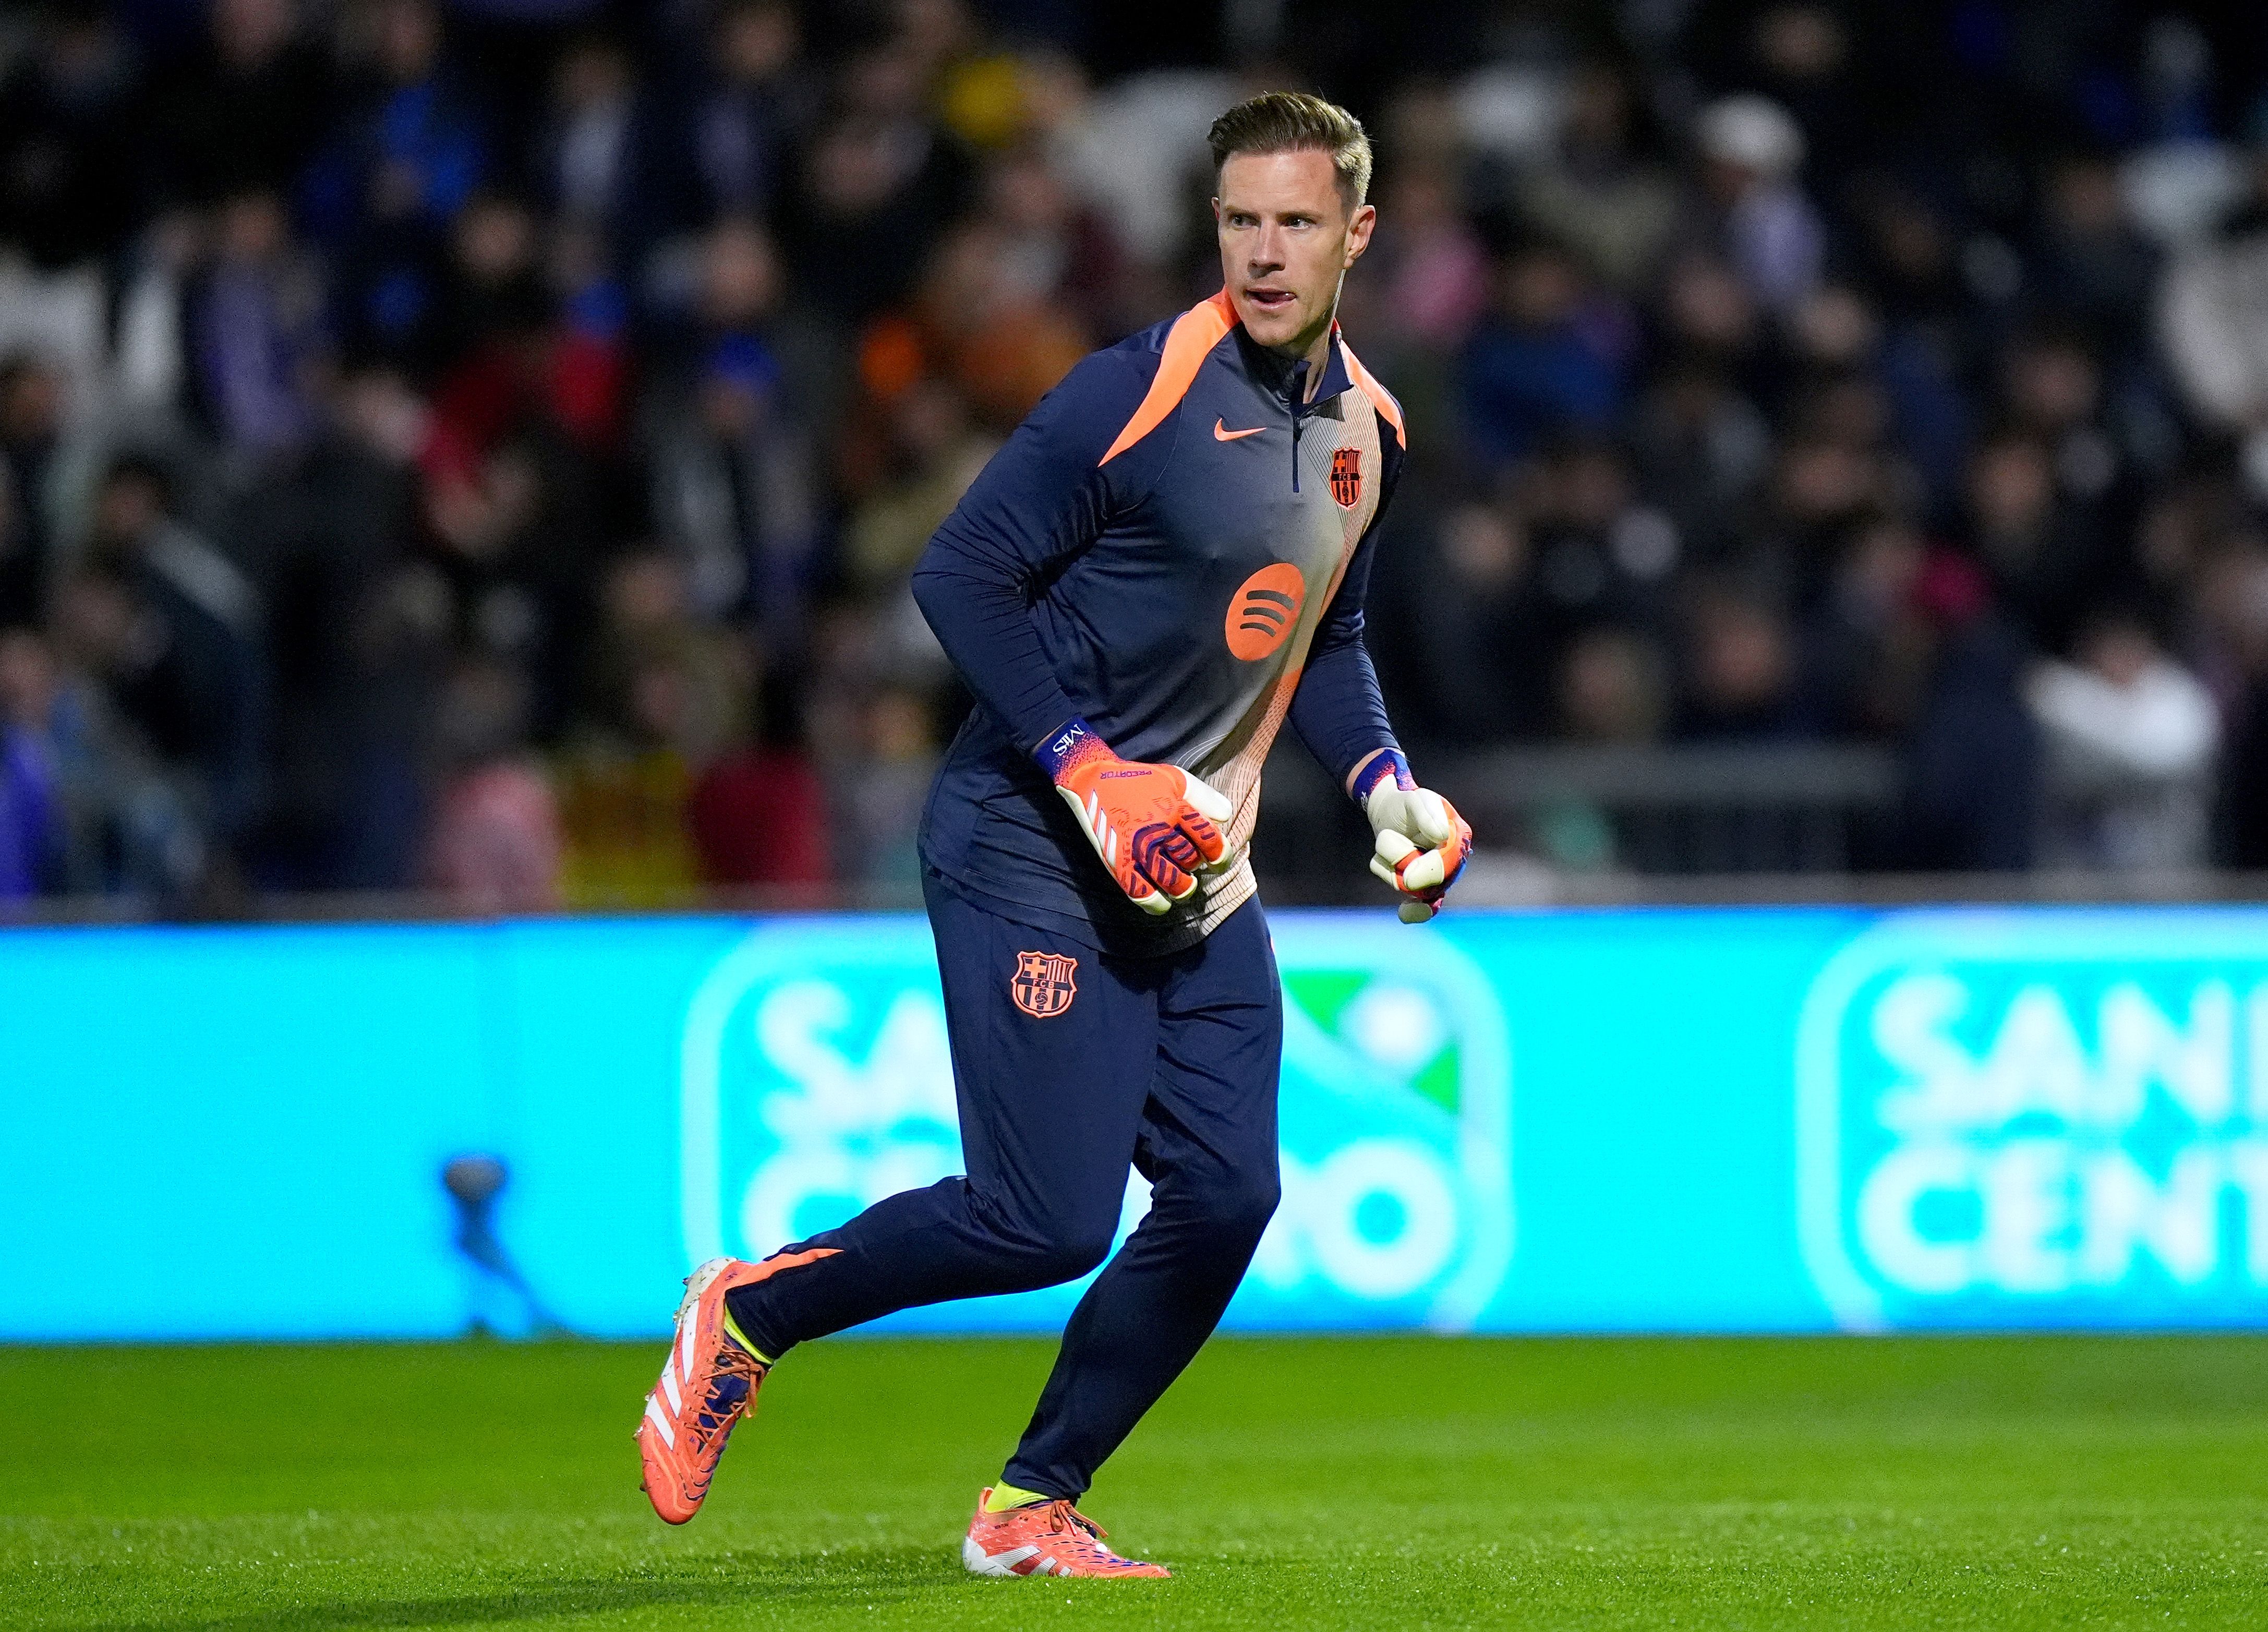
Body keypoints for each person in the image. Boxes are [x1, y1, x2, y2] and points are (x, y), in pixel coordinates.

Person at [633, 92, 1470, 1578]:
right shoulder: (1133, 390)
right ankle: (748, 1313)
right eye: (1238, 222)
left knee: (1229, 1195)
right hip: (1030, 837)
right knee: (1040, 1219)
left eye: (1294, 223)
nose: (1265, 252)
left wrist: (1387, 788)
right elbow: (959, 578)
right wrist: (1090, 769)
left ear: (1357, 234)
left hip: (1197, 872)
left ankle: (1031, 1503)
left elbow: (1324, 642)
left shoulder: (1369, 432)